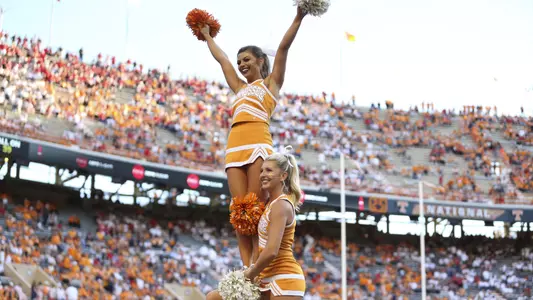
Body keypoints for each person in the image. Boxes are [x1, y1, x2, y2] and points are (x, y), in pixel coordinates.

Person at [200, 7, 307, 267]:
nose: (241, 65)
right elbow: (223, 60)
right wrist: (207, 36)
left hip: (259, 145)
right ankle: (247, 269)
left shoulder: (271, 85)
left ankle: (259, 265)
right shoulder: (238, 88)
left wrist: (299, 17)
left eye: (246, 59)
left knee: (256, 207)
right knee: (240, 211)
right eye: (240, 62)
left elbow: (283, 49)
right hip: (234, 147)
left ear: (260, 60)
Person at [207, 147, 305, 299]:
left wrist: (249, 274)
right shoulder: (268, 205)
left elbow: (272, 250)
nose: (263, 175)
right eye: (261, 171)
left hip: (284, 278)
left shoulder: (281, 205)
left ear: (283, 176)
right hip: (264, 277)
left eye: (269, 171)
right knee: (213, 297)